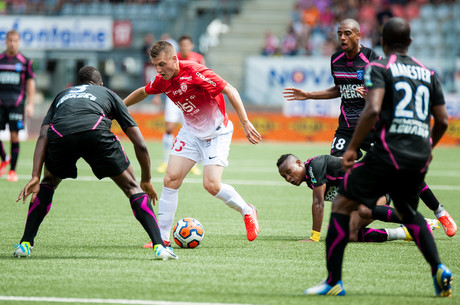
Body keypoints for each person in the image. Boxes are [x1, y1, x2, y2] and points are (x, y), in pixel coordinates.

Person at [304, 17, 452, 297]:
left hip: (388, 151)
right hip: (418, 152)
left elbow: (371, 111)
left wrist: (352, 148)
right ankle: (438, 269)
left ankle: (334, 281)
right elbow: (442, 120)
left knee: (341, 204)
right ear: (409, 41)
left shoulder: (379, 66)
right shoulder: (428, 72)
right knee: (409, 213)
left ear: (382, 41)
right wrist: (429, 148)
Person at [283, 19, 456, 237]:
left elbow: (390, 92)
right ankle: (366, 214)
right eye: (339, 34)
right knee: (340, 174)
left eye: (347, 33)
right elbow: (339, 89)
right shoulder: (335, 59)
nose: (342, 38)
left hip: (372, 127)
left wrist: (375, 95)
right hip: (346, 129)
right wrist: (309, 95)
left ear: (358, 35)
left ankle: (439, 212)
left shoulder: (373, 60)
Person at [13, 66, 177, 261]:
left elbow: (43, 135)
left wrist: (35, 176)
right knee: (132, 187)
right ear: (100, 84)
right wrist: (146, 179)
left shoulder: (62, 95)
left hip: (61, 135)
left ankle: (24, 244)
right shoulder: (107, 93)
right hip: (96, 132)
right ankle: (159, 247)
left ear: (75, 85)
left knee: (48, 183)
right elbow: (140, 144)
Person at [124, 41, 262, 249]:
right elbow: (143, 91)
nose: (159, 70)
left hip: (216, 133)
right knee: (170, 179)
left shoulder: (195, 72)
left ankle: (247, 210)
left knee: (211, 185)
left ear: (174, 59)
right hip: (190, 132)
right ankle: (162, 238)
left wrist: (245, 121)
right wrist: (119, 106)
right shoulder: (162, 80)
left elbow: (230, 90)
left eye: (162, 64)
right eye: (155, 66)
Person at [276, 153, 439, 243]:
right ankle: (404, 233)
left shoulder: (315, 166)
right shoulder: (311, 181)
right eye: (284, 177)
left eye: (289, 172)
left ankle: (420, 222)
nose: (288, 178)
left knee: (364, 209)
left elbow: (318, 203)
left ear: (299, 163)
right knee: (347, 235)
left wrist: (314, 237)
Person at [154, 35, 205, 176]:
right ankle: (165, 161)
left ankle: (193, 163)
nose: (185, 47)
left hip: (190, 99)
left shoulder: (198, 58)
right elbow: (161, 76)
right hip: (174, 98)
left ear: (191, 46)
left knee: (193, 130)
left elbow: (204, 76)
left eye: (187, 45)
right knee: (169, 128)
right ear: (179, 46)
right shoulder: (173, 58)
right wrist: (158, 95)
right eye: (182, 45)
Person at [0, 29, 36, 182]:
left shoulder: (25, 61)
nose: (13, 43)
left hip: (17, 103)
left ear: (18, 42)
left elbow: (30, 82)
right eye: (10, 40)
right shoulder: (0, 59)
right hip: (0, 103)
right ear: (6, 41)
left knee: (14, 136)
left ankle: (12, 171)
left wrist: (31, 104)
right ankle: (5, 157)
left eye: (15, 41)